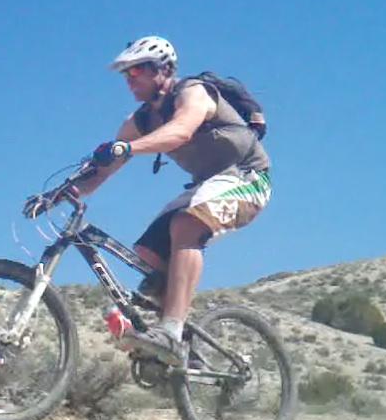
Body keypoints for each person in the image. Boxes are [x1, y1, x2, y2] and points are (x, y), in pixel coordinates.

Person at [31, 36, 272, 367]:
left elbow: (181, 131)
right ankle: (183, 351)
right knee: (147, 253)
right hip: (208, 187)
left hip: (248, 179)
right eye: (125, 74)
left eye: (137, 70)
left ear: (165, 70)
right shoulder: (140, 121)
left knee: (186, 224)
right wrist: (56, 195)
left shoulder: (193, 92)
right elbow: (101, 171)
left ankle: (171, 331)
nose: (130, 79)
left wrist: (128, 147)